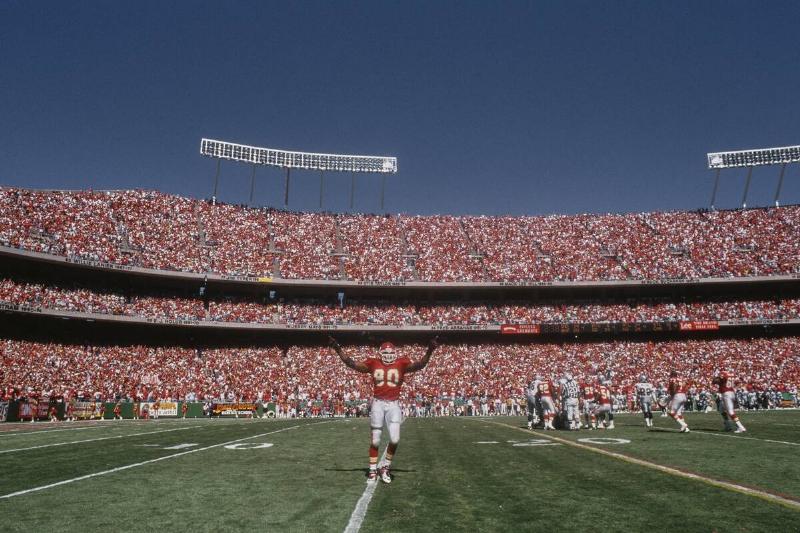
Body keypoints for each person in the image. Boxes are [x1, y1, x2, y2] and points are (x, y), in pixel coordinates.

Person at [329, 336, 439, 484]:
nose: (388, 356)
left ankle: (385, 467)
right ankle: (373, 470)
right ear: (380, 354)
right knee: (375, 440)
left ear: (395, 353)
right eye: (385, 354)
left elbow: (420, 365)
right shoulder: (373, 363)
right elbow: (352, 364)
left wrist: (430, 350)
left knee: (395, 439)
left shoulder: (401, 363)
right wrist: (338, 349)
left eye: (390, 353)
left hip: (393, 404)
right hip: (378, 404)